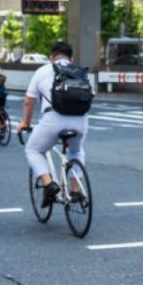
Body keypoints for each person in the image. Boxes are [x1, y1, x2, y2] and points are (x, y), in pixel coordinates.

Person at [18, 41, 88, 207]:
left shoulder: (43, 71)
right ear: (71, 58)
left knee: (33, 150)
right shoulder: (78, 71)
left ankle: (49, 184)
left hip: (54, 119)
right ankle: (76, 190)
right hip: (80, 119)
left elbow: (29, 101)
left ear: (51, 57)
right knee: (76, 152)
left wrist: (25, 123)